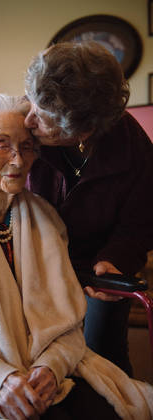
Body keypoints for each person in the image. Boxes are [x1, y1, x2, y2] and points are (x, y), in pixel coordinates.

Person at [0, 91, 153, 420]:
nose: (18, 161)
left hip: (44, 369)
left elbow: (69, 320)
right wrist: (0, 378)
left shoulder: (47, 219)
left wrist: (51, 369)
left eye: (26, 147)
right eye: (2, 145)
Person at [24, 40, 153, 376]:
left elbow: (139, 225)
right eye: (31, 104)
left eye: (41, 116)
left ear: (84, 129)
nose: (28, 120)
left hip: (98, 268)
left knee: (105, 359)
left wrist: (115, 261)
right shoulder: (23, 131)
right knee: (38, 358)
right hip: (34, 264)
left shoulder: (135, 150)